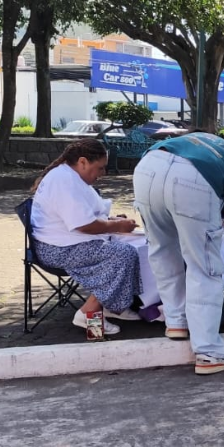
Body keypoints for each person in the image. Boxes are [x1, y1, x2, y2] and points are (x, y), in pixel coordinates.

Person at [133, 132, 224, 375]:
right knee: (204, 265)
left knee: (162, 250)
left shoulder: (218, 147)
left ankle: (176, 322)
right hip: (195, 179)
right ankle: (209, 353)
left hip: (148, 166)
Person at [30, 139, 142, 336]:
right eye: (99, 168)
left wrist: (112, 221)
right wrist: (116, 225)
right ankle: (90, 314)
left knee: (140, 245)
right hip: (57, 249)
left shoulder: (71, 176)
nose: (102, 174)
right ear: (82, 162)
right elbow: (84, 225)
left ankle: (112, 306)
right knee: (123, 254)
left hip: (66, 242)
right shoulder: (63, 180)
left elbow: (88, 215)